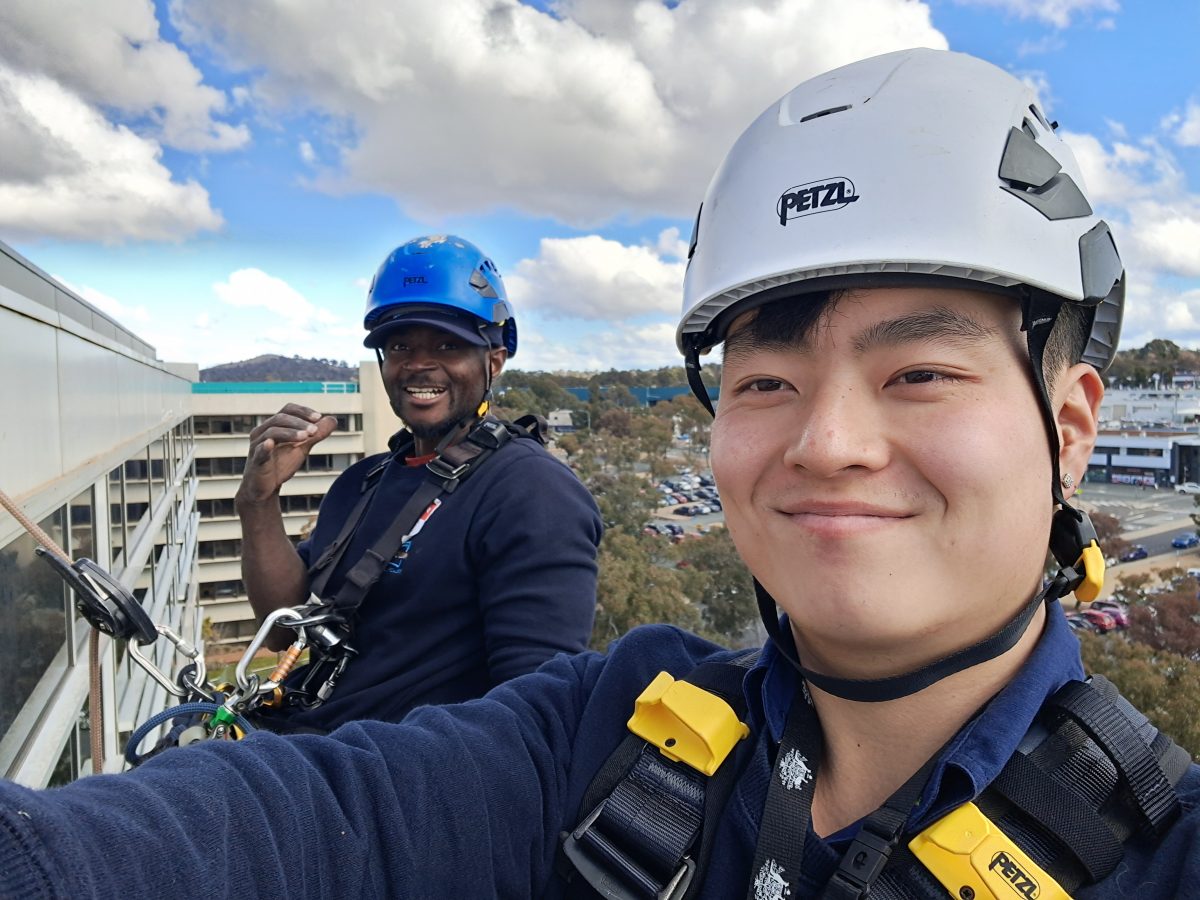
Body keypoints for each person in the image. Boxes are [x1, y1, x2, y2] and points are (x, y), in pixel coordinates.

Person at [2, 49, 1198, 899]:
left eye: (921, 374)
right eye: (765, 381)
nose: (829, 442)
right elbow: (327, 811)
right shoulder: (619, 727)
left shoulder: (1165, 851)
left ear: (1071, 430)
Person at [234, 234, 603, 731]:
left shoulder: (531, 491)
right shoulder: (361, 485)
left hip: (394, 783)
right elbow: (282, 629)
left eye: (448, 345)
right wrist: (258, 502)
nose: (418, 363)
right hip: (315, 748)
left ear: (493, 360)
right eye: (400, 345)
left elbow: (534, 714)